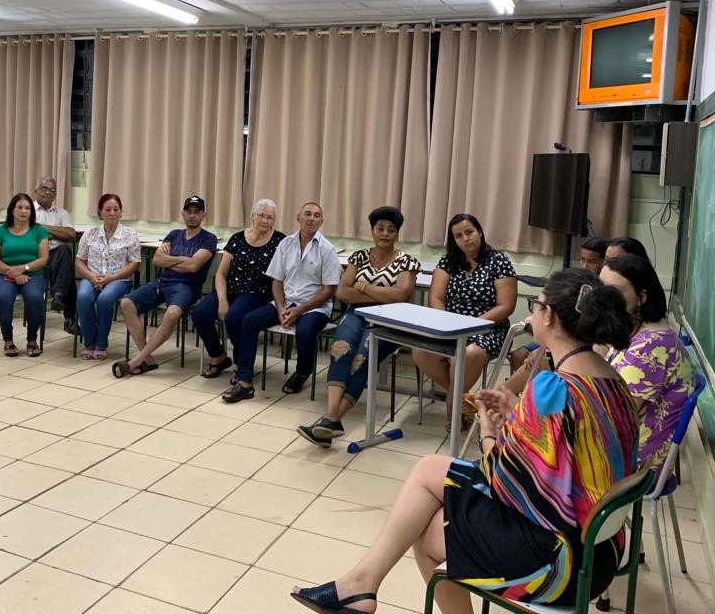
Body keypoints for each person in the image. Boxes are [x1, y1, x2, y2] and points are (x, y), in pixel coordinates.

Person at [292, 269, 638, 614]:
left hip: (557, 561)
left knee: (424, 529)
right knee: (429, 470)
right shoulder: (614, 382)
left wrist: (489, 431)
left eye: (536, 305)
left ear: (549, 316)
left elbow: (506, 482)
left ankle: (359, 587)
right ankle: (358, 586)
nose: (533, 315)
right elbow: (572, 451)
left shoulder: (551, 389)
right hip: (600, 549)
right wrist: (519, 414)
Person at [297, 206, 420, 447]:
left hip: (389, 321)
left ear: (397, 234)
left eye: (391, 230)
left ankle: (330, 420)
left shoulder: (407, 261)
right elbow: (343, 292)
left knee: (362, 357)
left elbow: (402, 294)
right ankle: (331, 420)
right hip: (356, 314)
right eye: (380, 229)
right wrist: (384, 293)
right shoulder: (359, 256)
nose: (385, 234)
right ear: (372, 231)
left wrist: (362, 288)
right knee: (341, 348)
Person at [222, 202, 340, 402]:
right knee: (249, 321)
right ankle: (244, 381)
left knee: (305, 331)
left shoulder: (327, 249)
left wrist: (300, 310)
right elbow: (276, 281)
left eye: (317, 215)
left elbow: (329, 290)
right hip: (285, 303)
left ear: (321, 221)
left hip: (314, 307)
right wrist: (280, 309)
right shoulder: (285, 244)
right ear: (298, 217)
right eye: (308, 214)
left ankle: (302, 372)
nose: (312, 218)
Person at [412, 213, 516, 429]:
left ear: (479, 231)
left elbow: (506, 306)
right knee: (420, 351)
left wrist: (472, 325)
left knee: (468, 354)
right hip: (450, 327)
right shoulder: (448, 261)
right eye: (458, 236)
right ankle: (464, 400)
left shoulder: (499, 261)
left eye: (469, 232)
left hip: (489, 328)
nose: (465, 239)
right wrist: (445, 324)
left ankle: (453, 409)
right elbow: (436, 298)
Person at [601, 254, 696, 467]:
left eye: (613, 293)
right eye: (600, 289)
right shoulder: (639, 331)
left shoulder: (651, 346)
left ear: (642, 298)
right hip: (626, 447)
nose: (603, 300)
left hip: (634, 463)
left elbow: (617, 416)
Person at [113, 195, 217, 377]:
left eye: (197, 212)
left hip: (186, 287)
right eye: (189, 212)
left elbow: (193, 266)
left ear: (203, 216)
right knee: (126, 303)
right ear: (183, 214)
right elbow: (157, 260)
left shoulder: (208, 239)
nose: (192, 216)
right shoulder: (174, 235)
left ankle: (138, 360)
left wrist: (173, 261)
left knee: (172, 313)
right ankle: (148, 359)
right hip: (162, 282)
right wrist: (181, 259)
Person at [192, 199, 285, 380]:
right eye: (261, 216)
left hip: (257, 292)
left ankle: (241, 364)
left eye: (270, 218)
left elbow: (281, 277)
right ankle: (218, 356)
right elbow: (220, 274)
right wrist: (222, 300)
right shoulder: (237, 238)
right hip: (229, 289)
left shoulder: (281, 241)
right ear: (252, 216)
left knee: (234, 317)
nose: (265, 221)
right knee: (199, 314)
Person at [508, 235, 609, 372]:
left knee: (539, 361)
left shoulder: (599, 292)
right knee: (519, 355)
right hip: (558, 340)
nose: (585, 266)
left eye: (592, 261)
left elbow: (568, 333)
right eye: (582, 259)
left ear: (603, 261)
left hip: (571, 344)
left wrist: (544, 350)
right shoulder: (573, 282)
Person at [75, 193, 141, 359]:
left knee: (104, 299)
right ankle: (89, 343)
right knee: (83, 296)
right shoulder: (89, 234)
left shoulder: (130, 234)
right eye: (108, 209)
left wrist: (111, 278)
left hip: (119, 279)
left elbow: (135, 264)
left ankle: (101, 344)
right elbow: (79, 261)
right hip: (92, 277)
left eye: (116, 209)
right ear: (100, 212)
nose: (112, 213)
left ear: (120, 212)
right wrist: (91, 277)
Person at [0, 193, 50, 357]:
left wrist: (24, 268)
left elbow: (43, 259)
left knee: (34, 297)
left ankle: (31, 339)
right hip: (3, 274)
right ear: (12, 210)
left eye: (28, 208)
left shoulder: (39, 231)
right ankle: (8, 340)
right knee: (3, 297)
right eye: (20, 207)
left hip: (33, 274)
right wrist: (12, 273)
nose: (24, 211)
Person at [33, 175, 77, 333]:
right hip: (35, 254)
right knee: (68, 273)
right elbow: (26, 233)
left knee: (64, 252)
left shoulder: (61, 213)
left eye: (52, 190)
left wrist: (43, 228)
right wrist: (56, 233)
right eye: (44, 188)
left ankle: (58, 295)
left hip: (56, 254)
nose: (48, 192)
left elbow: (71, 234)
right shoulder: (27, 210)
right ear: (36, 190)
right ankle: (69, 316)